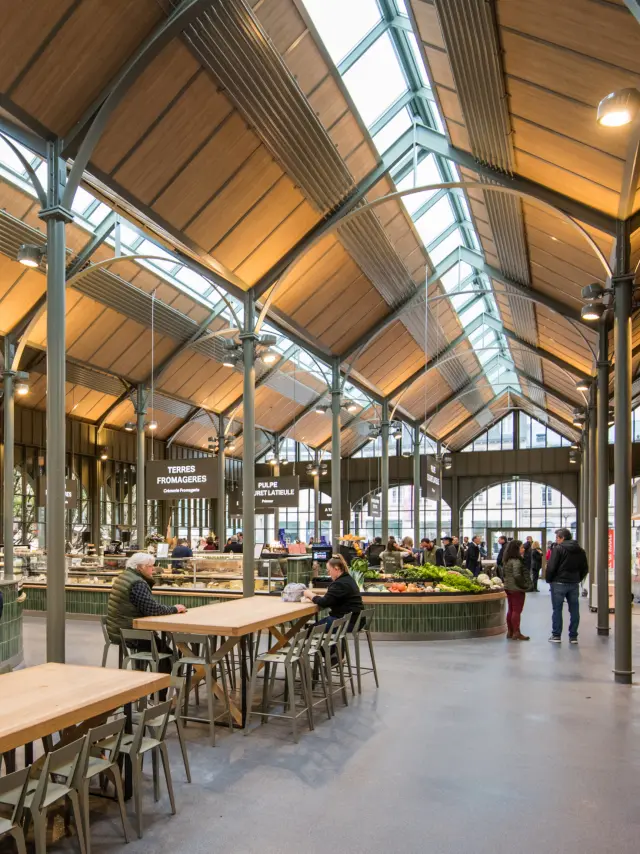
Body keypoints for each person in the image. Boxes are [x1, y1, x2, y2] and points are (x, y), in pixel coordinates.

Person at [106, 553, 186, 692]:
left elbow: (146, 606)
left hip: (119, 629)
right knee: (168, 656)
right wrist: (174, 608)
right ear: (140, 567)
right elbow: (152, 609)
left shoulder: (124, 576)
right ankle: (159, 699)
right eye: (150, 566)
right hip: (132, 633)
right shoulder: (137, 583)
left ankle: (145, 688)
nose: (153, 570)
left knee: (161, 648)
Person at [546, 528, 588, 644]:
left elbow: (551, 566)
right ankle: (573, 636)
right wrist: (578, 579)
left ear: (562, 538)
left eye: (557, 538)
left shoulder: (558, 549)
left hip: (558, 583)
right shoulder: (580, 550)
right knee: (574, 609)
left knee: (557, 609)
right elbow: (585, 568)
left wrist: (549, 580)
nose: (556, 540)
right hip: (574, 583)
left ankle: (556, 635)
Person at [303, 554, 363, 630]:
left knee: (310, 630)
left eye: (329, 570)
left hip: (346, 622)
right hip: (354, 621)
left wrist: (310, 595)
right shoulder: (348, 579)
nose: (328, 573)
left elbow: (324, 602)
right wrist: (315, 597)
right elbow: (330, 599)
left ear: (336, 569)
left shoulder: (340, 583)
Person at [503, 539, 531, 640]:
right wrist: (524, 585)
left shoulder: (507, 560)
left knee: (511, 609)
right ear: (516, 549)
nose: (523, 549)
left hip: (508, 587)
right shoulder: (517, 561)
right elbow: (517, 575)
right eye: (522, 547)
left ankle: (510, 631)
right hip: (516, 589)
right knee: (517, 610)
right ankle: (516, 632)